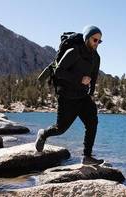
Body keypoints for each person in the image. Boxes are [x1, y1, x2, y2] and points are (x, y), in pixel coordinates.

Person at [35, 25, 103, 165]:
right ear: (86, 38)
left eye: (99, 41)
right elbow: (59, 72)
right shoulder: (73, 52)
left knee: (92, 122)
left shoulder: (96, 57)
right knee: (60, 129)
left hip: (82, 96)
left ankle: (87, 156)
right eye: (94, 40)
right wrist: (79, 79)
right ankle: (43, 134)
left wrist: (91, 92)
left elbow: (94, 76)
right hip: (67, 96)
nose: (97, 43)